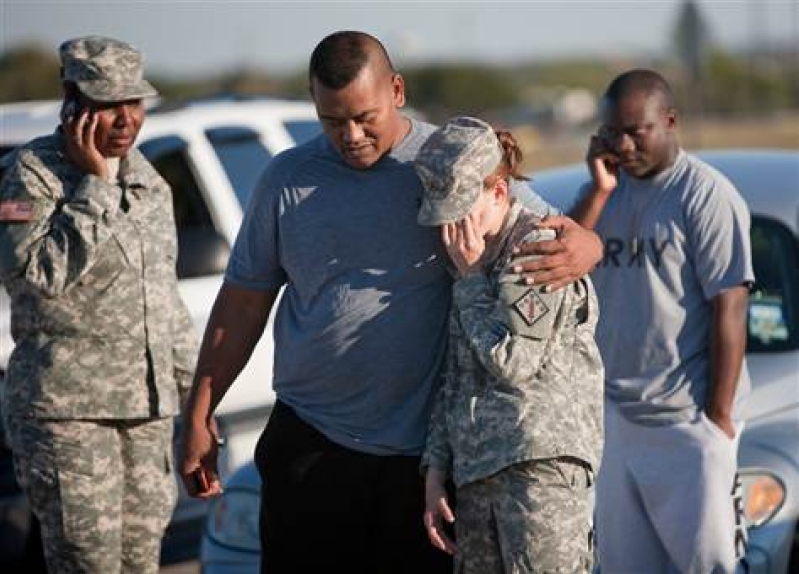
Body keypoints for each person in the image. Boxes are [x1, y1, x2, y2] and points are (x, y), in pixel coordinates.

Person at [179, 30, 603, 574]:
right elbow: (241, 305)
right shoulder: (286, 180)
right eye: (331, 120)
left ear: (396, 91)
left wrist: (590, 245)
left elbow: (539, 227)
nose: (350, 135)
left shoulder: (448, 163)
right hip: (310, 446)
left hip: (416, 462)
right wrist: (199, 411)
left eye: (364, 117)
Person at [0, 36, 198, 573]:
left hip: (147, 418)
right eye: (108, 104)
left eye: (133, 103)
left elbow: (163, 300)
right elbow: (37, 275)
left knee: (141, 564)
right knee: (88, 564)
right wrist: (93, 188)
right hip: (70, 418)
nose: (125, 118)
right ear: (72, 100)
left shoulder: (149, 182)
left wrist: (197, 402)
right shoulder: (31, 175)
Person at [572, 69, 753, 573]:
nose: (624, 144)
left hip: (686, 423)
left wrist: (716, 422)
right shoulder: (607, 193)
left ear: (669, 121)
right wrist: (599, 189)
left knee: (708, 567)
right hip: (616, 421)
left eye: (637, 130)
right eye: (612, 132)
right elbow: (561, 261)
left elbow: (730, 306)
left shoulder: (705, 195)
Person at [417, 116, 603, 574]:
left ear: (498, 191)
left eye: (463, 210)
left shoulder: (538, 248)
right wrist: (437, 466)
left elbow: (514, 360)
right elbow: (456, 370)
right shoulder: (471, 259)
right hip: (479, 472)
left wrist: (473, 282)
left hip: (538, 473)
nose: (450, 228)